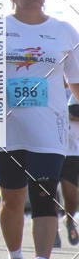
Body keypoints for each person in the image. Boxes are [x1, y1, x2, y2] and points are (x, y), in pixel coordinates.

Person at [0, 0, 79, 259]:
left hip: (48, 129)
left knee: (44, 195)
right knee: (12, 198)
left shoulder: (63, 31)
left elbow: (76, 83)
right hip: (6, 127)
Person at [57, 90, 79, 245]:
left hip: (72, 151)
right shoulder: (47, 85)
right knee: (47, 192)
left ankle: (69, 221)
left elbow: (74, 113)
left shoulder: (75, 88)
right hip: (49, 148)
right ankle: (51, 230)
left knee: (70, 195)